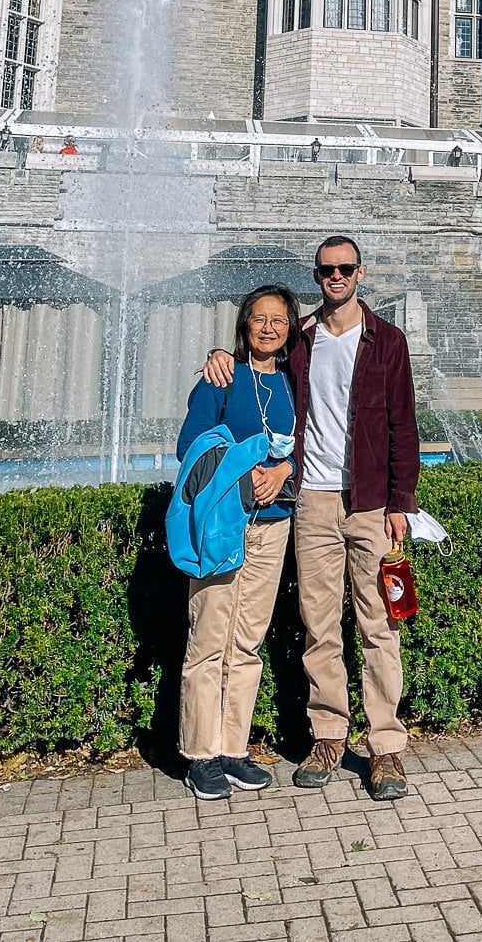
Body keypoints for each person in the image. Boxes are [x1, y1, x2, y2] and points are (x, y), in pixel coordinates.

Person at [203, 234, 419, 801]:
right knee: (319, 625)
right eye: (326, 269)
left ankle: (386, 747)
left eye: (345, 268)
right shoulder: (301, 340)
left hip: (369, 500)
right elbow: (260, 366)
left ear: (361, 272)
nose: (336, 277)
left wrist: (402, 503)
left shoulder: (386, 341)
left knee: (378, 627)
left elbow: (404, 426)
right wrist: (221, 354)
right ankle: (328, 734)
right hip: (312, 499)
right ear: (317, 275)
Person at [177, 285, 300, 801]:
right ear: (244, 324)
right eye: (259, 318)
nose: (269, 327)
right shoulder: (220, 378)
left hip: (274, 526)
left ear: (291, 328)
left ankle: (233, 748)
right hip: (226, 525)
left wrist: (287, 469)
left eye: (278, 319)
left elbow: (312, 441)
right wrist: (248, 476)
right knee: (208, 639)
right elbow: (192, 448)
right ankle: (199, 755)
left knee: (246, 641)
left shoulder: (294, 382)